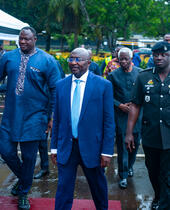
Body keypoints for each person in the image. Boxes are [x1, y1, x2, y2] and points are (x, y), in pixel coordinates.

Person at [0, 26, 61, 210]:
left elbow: (56, 89)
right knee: (6, 151)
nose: (23, 42)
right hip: (10, 115)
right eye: (21, 39)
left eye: (27, 39)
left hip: (35, 117)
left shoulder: (47, 61)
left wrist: (51, 116)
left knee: (28, 157)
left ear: (35, 39)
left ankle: (24, 193)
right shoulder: (8, 57)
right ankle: (24, 178)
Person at [51, 47, 115, 210]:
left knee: (98, 188)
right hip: (67, 146)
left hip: (92, 147)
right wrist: (54, 148)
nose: (73, 62)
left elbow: (108, 121)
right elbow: (57, 119)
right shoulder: (61, 85)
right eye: (71, 59)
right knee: (63, 189)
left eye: (78, 59)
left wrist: (107, 151)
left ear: (89, 62)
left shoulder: (103, 85)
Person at [125, 41, 170, 210]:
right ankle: (158, 196)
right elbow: (135, 105)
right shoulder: (144, 77)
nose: (159, 58)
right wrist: (129, 133)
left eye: (163, 54)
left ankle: (164, 204)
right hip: (151, 134)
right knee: (153, 170)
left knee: (167, 175)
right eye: (156, 54)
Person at [107, 47, 142, 189]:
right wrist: (119, 105)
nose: (123, 61)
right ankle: (123, 174)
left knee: (136, 143)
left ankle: (130, 166)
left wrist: (135, 105)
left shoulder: (140, 73)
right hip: (121, 115)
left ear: (131, 59)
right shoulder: (113, 75)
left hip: (137, 115)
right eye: (121, 59)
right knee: (122, 145)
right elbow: (108, 95)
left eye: (126, 59)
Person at [34, 60, 65, 179]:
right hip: (41, 108)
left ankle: (62, 167)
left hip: (55, 108)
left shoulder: (53, 66)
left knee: (59, 139)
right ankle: (44, 168)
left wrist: (52, 116)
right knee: (42, 140)